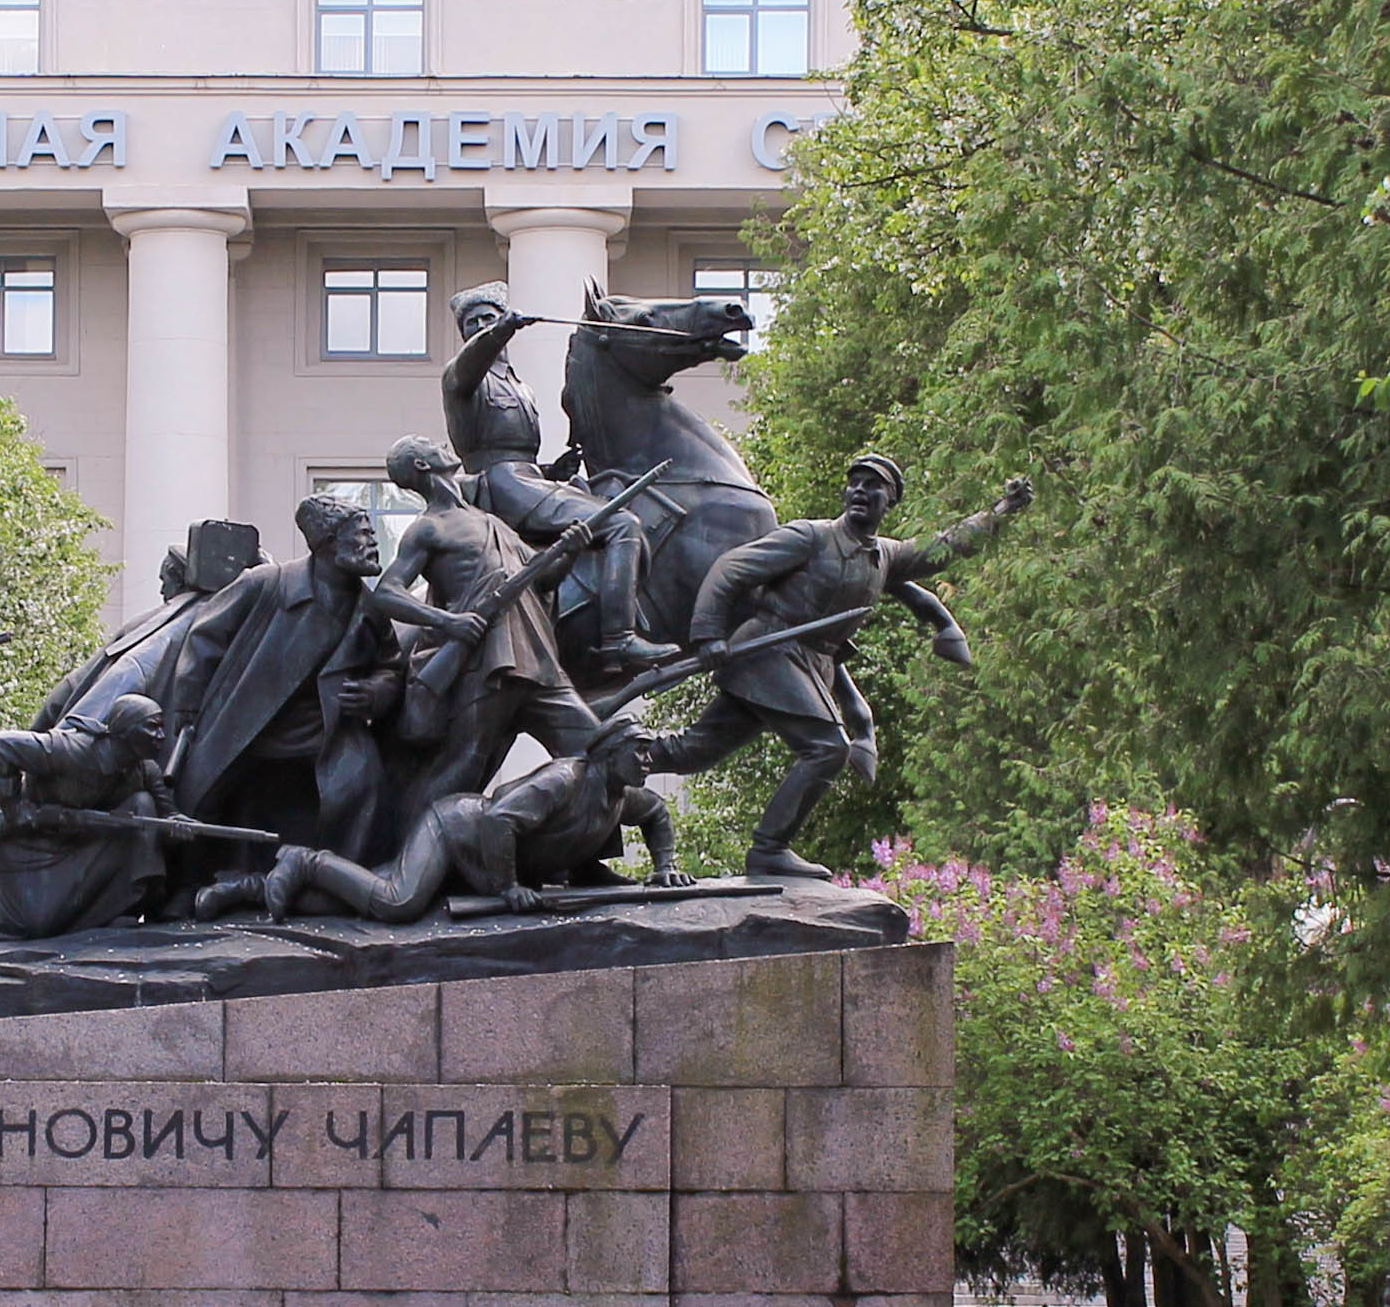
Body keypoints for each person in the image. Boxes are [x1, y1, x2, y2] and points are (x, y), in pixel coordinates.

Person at [645, 455, 1032, 879]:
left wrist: (1001, 512)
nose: (861, 491)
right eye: (855, 484)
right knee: (827, 747)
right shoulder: (810, 537)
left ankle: (618, 760)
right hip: (768, 651)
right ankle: (769, 848)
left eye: (874, 486)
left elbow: (942, 548)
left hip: (809, 664)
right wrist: (708, 634)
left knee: (695, 750)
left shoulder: (886, 556)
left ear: (891, 503)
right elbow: (730, 569)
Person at [213, 716, 686, 923]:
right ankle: (305, 861)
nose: (648, 760)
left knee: (357, 900)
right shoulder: (565, 780)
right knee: (398, 902)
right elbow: (500, 818)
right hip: (458, 829)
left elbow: (659, 814)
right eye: (639, 750)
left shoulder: (622, 796)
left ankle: (247, 889)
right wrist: (507, 887)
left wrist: (664, 866)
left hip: (485, 861)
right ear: (610, 751)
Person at [154, 489, 401, 860]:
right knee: (207, 807)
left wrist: (376, 691)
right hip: (249, 727)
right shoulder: (267, 584)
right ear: (330, 543)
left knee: (364, 792)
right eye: (363, 534)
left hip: (327, 735)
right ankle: (188, 886)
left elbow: (392, 664)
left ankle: (337, 883)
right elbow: (205, 637)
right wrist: (188, 709)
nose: (372, 543)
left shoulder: (369, 609)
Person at [369, 433, 608, 813]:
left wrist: (570, 551)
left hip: (537, 657)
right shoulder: (428, 528)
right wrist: (448, 622)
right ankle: (411, 855)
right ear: (421, 464)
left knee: (597, 748)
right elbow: (386, 592)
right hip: (486, 663)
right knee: (465, 764)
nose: (445, 447)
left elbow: (539, 578)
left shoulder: (489, 521)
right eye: (432, 445)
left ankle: (575, 858)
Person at [442, 284, 673, 663]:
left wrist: (552, 470)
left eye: (490, 317)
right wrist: (503, 328)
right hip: (502, 485)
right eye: (473, 322)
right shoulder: (461, 378)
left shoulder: (520, 386)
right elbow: (473, 365)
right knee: (621, 525)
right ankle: (619, 636)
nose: (482, 326)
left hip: (529, 478)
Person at [0, 694, 181, 946]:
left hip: (87, 844)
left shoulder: (145, 769)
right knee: (32, 925)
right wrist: (15, 807)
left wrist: (179, 825)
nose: (161, 735)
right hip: (32, 843)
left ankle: (123, 910)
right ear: (126, 728)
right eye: (152, 727)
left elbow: (168, 814)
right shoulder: (70, 749)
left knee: (142, 805)